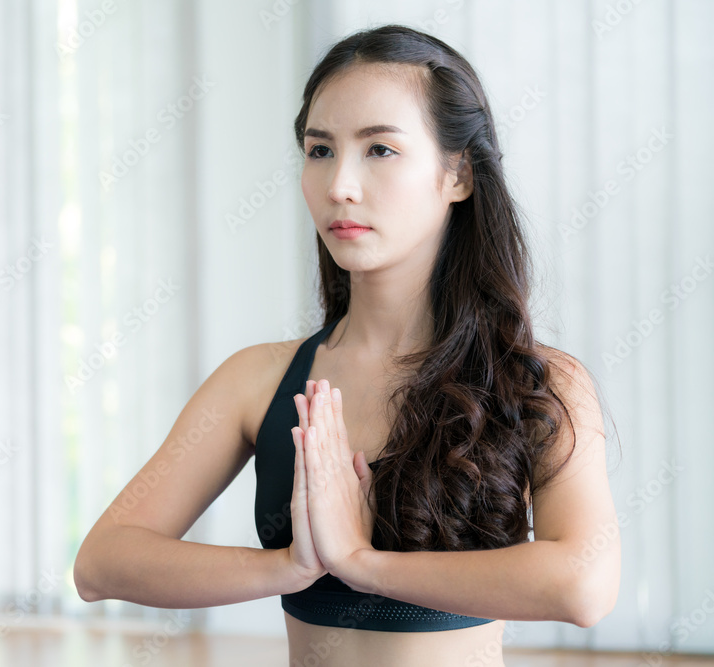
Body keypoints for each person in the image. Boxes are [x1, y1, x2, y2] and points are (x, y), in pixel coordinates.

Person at [75, 24, 621, 666]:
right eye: (320, 150)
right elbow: (102, 563)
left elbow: (583, 585)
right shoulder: (260, 380)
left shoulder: (537, 383)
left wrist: (363, 564)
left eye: (380, 150)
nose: (339, 185)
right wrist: (289, 566)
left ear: (459, 175)